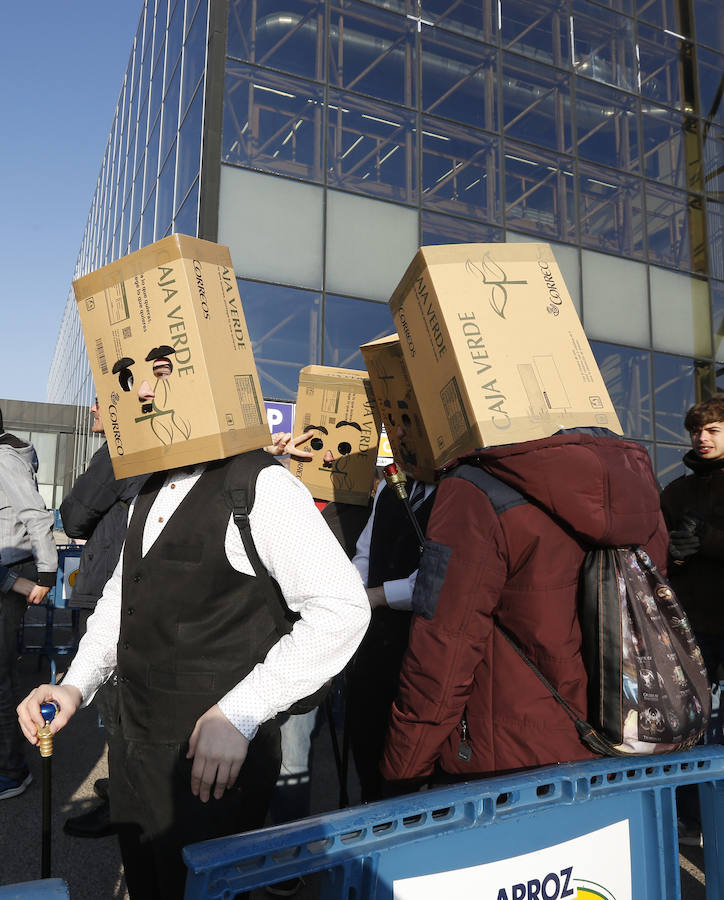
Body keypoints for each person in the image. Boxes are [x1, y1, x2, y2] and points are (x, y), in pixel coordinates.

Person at [17, 373, 370, 900]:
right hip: (135, 750)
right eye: (131, 380)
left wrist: (243, 711)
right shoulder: (151, 483)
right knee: (149, 883)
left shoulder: (262, 485)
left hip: (213, 767)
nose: (138, 394)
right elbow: (120, 598)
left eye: (160, 374)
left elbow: (342, 609)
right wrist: (75, 685)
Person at [380, 428, 669, 789]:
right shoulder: (638, 482)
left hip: (505, 765)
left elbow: (444, 652)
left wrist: (403, 773)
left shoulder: (476, 487)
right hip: (624, 744)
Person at [60, 396, 148, 839]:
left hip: (114, 588)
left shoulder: (122, 449)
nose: (95, 412)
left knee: (118, 710)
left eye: (101, 402)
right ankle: (123, 791)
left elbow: (74, 517)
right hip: (140, 590)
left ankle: (123, 807)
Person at [346, 467, 436, 802]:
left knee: (408, 778)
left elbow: (439, 577)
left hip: (419, 653)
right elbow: (365, 554)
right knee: (368, 757)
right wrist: (353, 595)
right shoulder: (391, 487)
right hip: (373, 654)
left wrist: (378, 596)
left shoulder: (459, 489)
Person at [659, 395, 724, 846]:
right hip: (691, 623)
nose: (702, 438)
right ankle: (689, 818)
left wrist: (710, 541)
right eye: (697, 431)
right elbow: (652, 552)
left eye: (714, 429)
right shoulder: (675, 491)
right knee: (686, 724)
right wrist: (674, 555)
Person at [0, 406, 58, 800]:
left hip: (7, 574)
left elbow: (35, 516)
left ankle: (12, 769)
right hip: (7, 574)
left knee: (0, 680)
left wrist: (47, 572)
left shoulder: (3, 458)